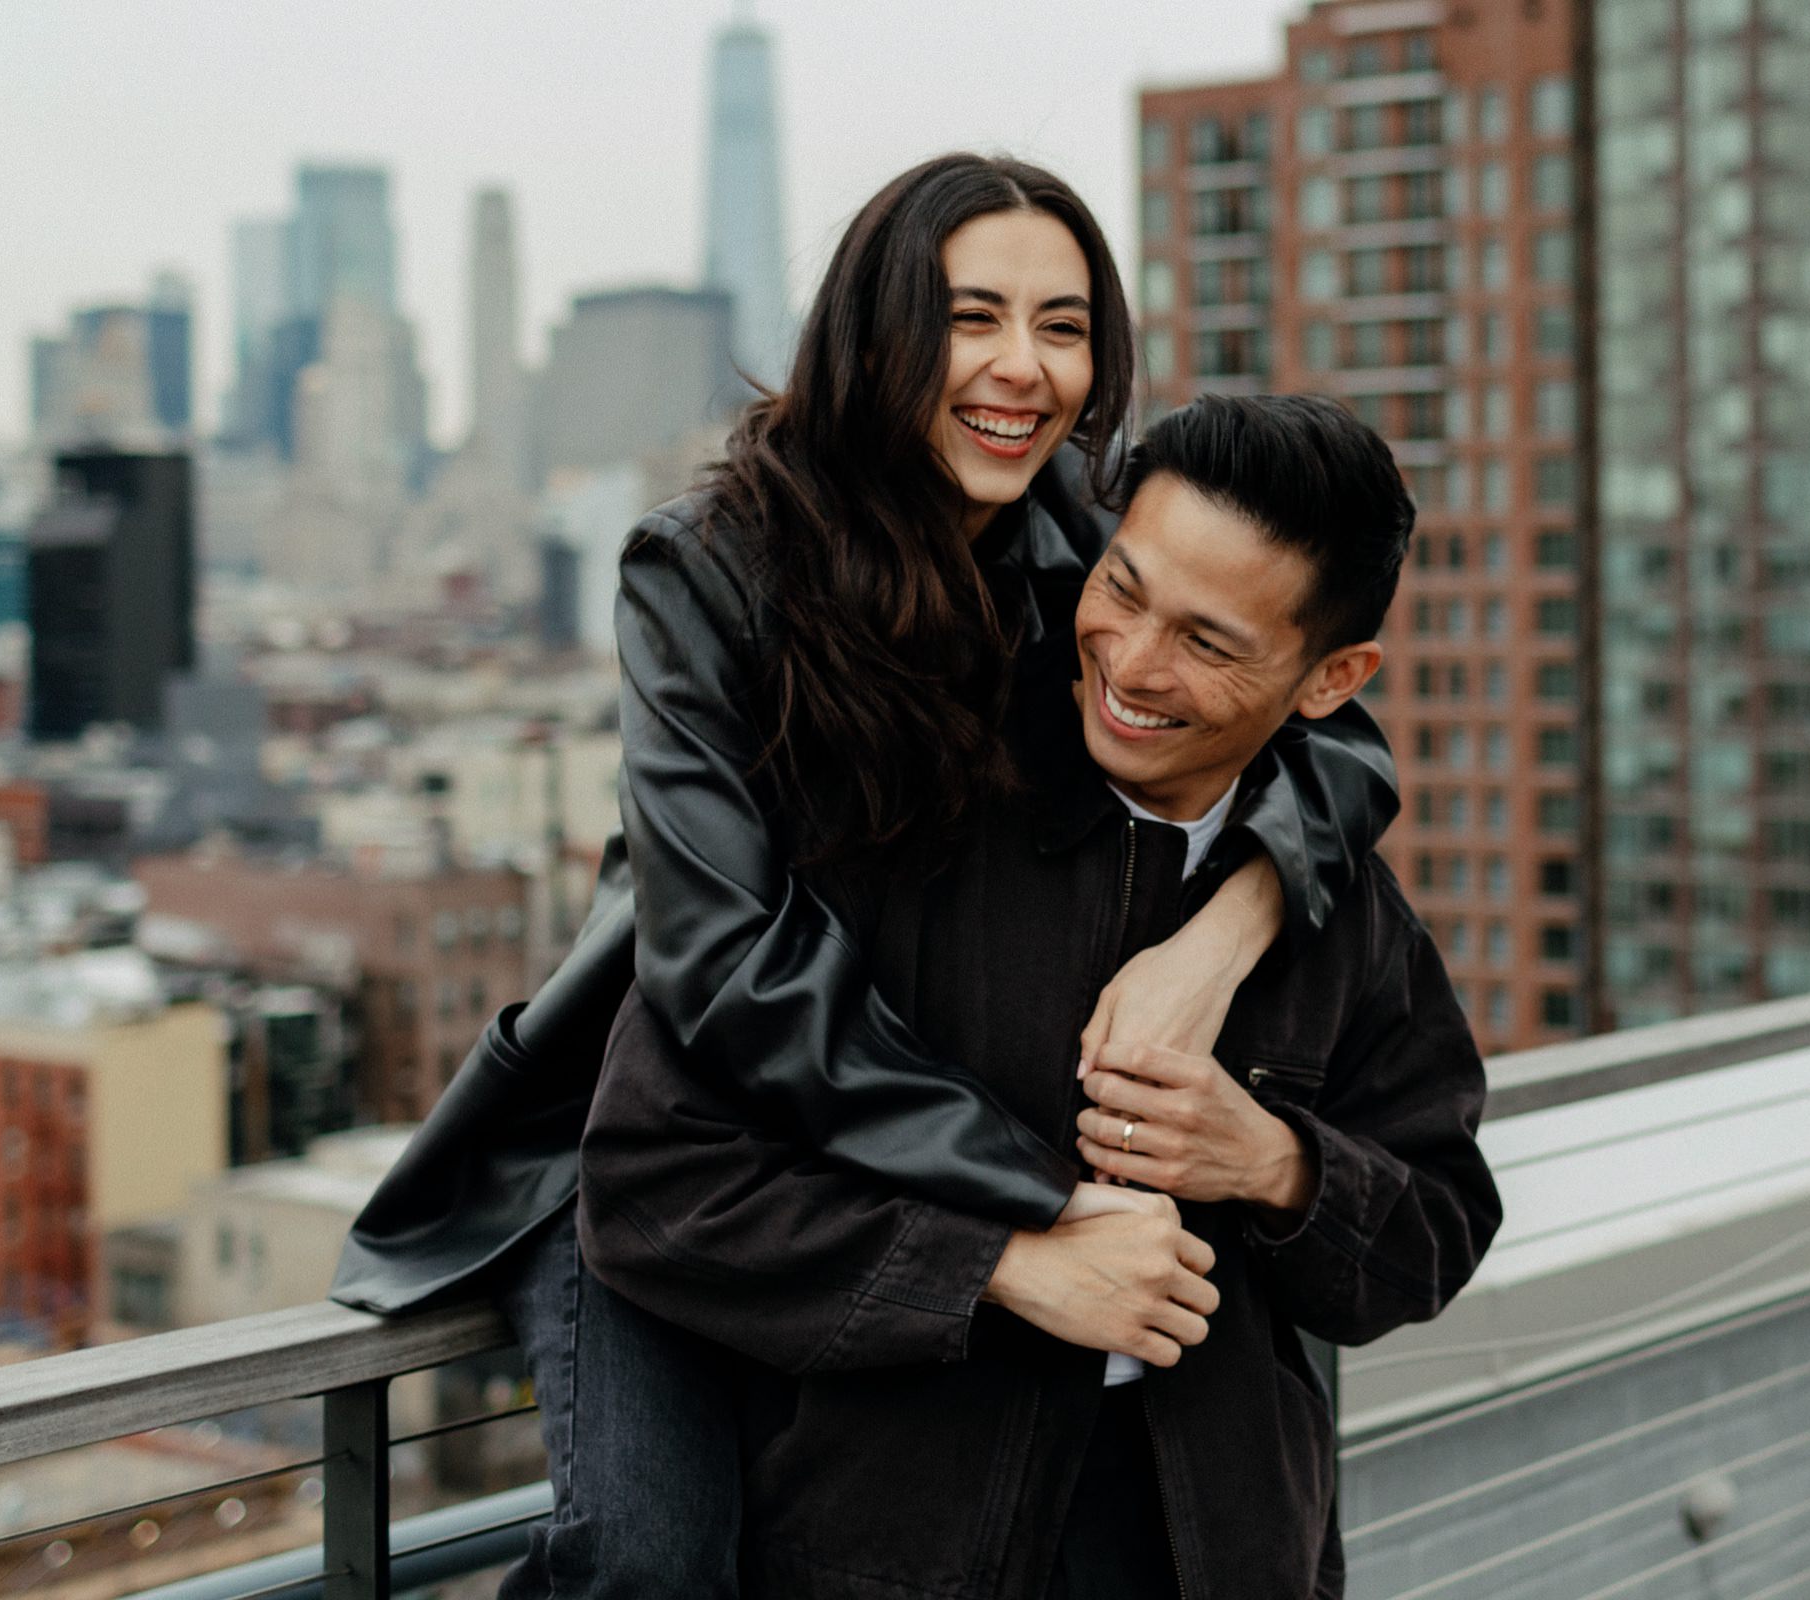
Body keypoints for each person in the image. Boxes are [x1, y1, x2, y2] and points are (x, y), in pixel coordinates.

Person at [331, 157, 1400, 1598]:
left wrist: (1217, 937)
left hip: (882, 1140)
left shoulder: (1078, 552)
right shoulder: (708, 569)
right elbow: (729, 970)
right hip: (664, 1137)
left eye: (1065, 326)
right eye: (974, 317)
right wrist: (1040, 1203)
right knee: (652, 1558)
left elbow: (1337, 744)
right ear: (880, 330)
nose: (1021, 367)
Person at [580, 394, 1504, 1600]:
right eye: (1121, 587)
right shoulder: (896, 806)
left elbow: (1437, 1230)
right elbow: (655, 1181)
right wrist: (1001, 1265)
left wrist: (1274, 1161)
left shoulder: (1342, 914)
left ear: (1334, 678)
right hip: (886, 1560)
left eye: (1209, 644)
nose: (1130, 662)